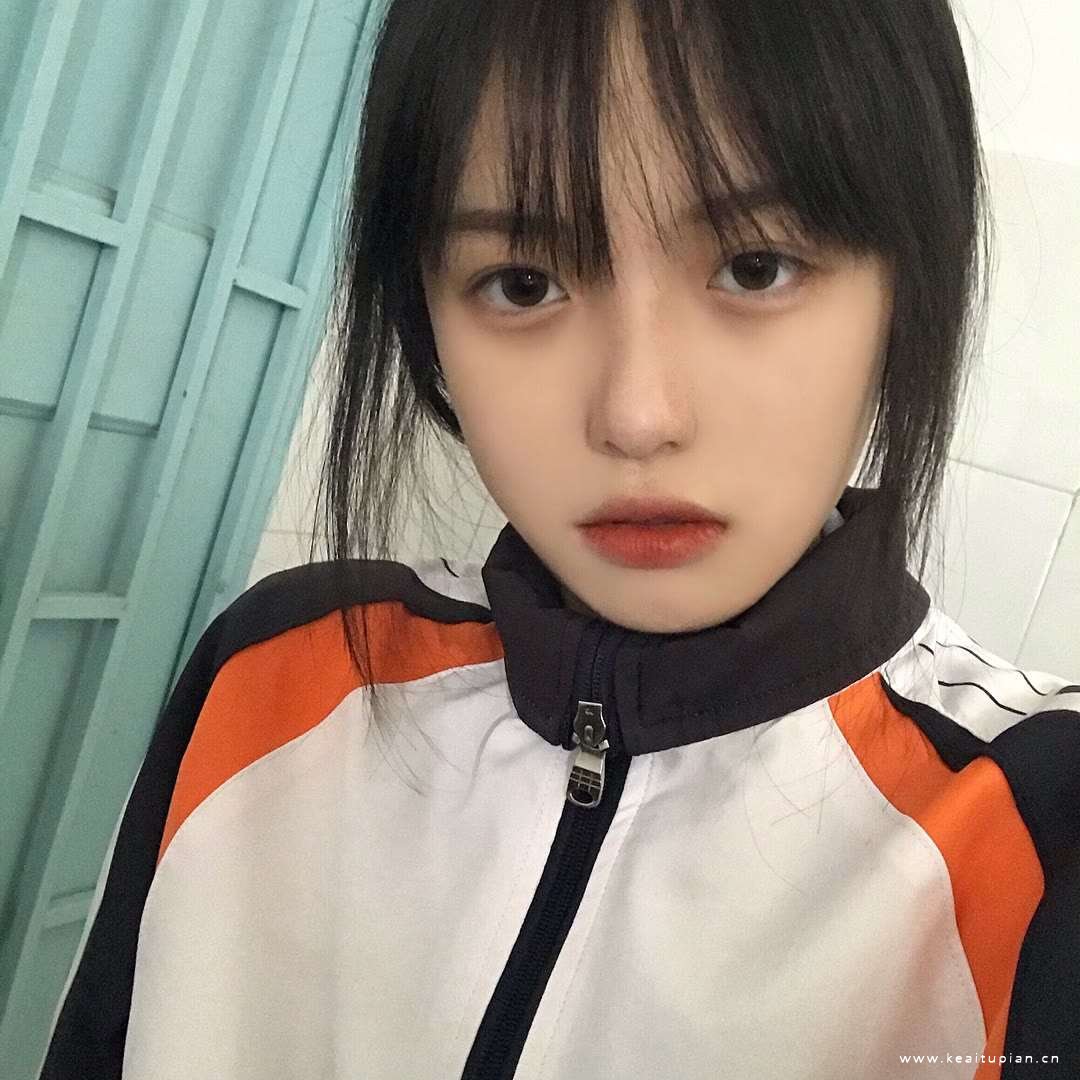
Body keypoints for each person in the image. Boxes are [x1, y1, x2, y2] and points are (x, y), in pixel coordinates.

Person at [38, 0, 1080, 1077]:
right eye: (523, 284)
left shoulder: (1036, 827)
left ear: (907, 292)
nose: (636, 415)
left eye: (756, 267)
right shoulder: (276, 677)